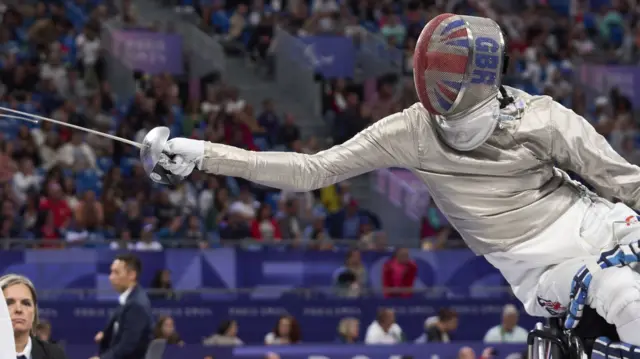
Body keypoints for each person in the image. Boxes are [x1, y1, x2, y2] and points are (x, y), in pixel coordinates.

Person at [158, 13, 640, 346]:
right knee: (622, 295)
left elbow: (624, 181)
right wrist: (204, 155)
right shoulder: (410, 130)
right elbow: (313, 170)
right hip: (540, 268)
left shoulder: (542, 118)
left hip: (600, 223)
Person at [93, 254, 153, 359]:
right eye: (111, 272)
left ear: (132, 275)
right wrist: (105, 334)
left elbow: (128, 345)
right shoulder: (129, 299)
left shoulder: (136, 304)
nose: (110, 277)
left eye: (116, 272)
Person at [0, 274, 67, 359]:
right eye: (9, 303)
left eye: (26, 303)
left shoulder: (54, 354)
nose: (19, 309)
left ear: (34, 312)